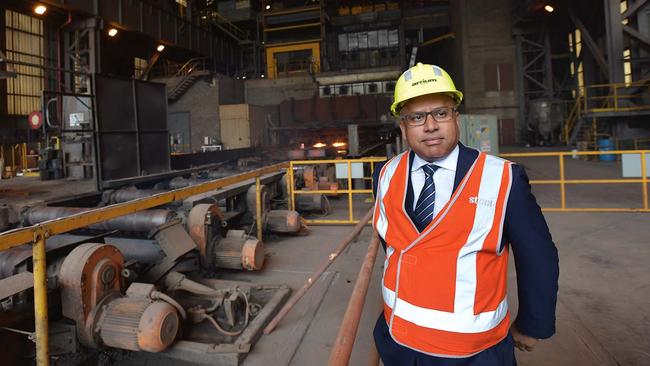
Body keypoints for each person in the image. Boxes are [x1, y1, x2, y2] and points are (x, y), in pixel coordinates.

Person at [371, 63, 559, 366]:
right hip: (398, 342)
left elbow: (537, 254)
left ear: (456, 117)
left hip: (474, 352)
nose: (430, 125)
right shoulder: (384, 174)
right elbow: (393, 243)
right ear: (403, 126)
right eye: (417, 117)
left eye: (440, 113)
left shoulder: (503, 179)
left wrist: (532, 324)